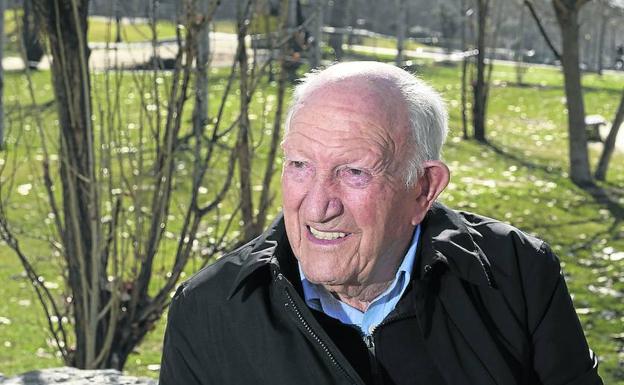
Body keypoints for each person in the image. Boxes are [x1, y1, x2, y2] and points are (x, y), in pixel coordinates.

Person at [159, 61, 603, 385]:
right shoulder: (209, 310)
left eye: (354, 172)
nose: (317, 208)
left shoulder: (518, 272)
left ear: (424, 188)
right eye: (299, 165)